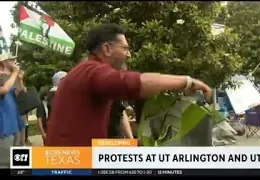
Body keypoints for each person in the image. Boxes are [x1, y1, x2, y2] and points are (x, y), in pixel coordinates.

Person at [45, 23, 212, 146]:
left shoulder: (83, 71)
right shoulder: (94, 72)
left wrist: (132, 146)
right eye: (125, 48)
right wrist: (187, 82)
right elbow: (131, 84)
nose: (129, 55)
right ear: (107, 49)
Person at [0, 53, 26, 167]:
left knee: (19, 161)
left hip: (15, 122)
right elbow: (4, 90)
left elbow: (19, 92)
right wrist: (15, 73)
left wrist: (20, 79)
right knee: (5, 162)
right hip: (4, 126)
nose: (14, 62)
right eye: (11, 60)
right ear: (4, 62)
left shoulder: (11, 77)